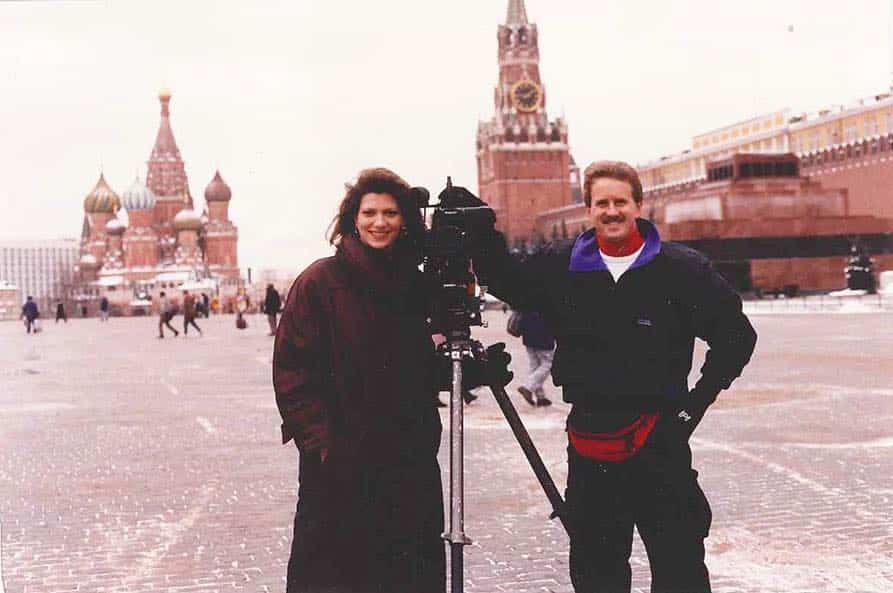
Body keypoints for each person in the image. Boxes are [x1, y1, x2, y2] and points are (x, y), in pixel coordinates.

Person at [467, 160, 757, 593]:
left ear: (638, 205)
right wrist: (481, 229)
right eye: (602, 203)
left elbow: (736, 336)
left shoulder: (680, 269)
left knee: (679, 568)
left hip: (661, 442)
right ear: (588, 209)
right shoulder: (562, 265)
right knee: (597, 572)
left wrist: (695, 405)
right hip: (590, 443)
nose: (612, 211)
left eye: (621, 202)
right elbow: (510, 282)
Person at [273, 167, 445, 593]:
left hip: (408, 460)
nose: (379, 222)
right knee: (336, 574)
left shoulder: (417, 285)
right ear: (353, 218)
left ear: (405, 220)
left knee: (407, 572)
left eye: (390, 213)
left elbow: (420, 366)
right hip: (340, 465)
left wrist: (463, 368)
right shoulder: (320, 282)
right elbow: (292, 371)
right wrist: (322, 444)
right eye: (370, 213)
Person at [516, 310, 554, 407]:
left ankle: (540, 397)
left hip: (528, 334)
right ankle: (528, 388)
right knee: (548, 364)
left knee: (535, 366)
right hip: (543, 336)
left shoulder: (527, 303)